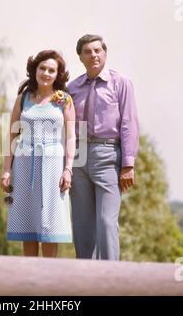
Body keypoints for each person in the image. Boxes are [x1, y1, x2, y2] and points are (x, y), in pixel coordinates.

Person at [68, 34, 139, 260]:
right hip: (78, 157)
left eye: (98, 50)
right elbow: (65, 127)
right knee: (81, 225)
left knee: (106, 222)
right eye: (88, 52)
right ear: (80, 57)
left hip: (108, 155)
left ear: (105, 54)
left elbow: (129, 123)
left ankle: (112, 281)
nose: (94, 55)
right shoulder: (72, 88)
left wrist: (128, 164)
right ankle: (86, 282)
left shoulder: (121, 83)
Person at [1, 50, 76, 257]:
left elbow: (71, 138)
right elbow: (12, 135)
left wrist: (68, 169)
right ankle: (30, 277)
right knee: (28, 221)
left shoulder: (65, 100)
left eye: (51, 70)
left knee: (50, 224)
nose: (46, 73)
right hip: (24, 164)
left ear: (57, 74)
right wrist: (6, 170)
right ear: (35, 70)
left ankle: (49, 279)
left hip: (53, 166)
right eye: (42, 68)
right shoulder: (23, 98)